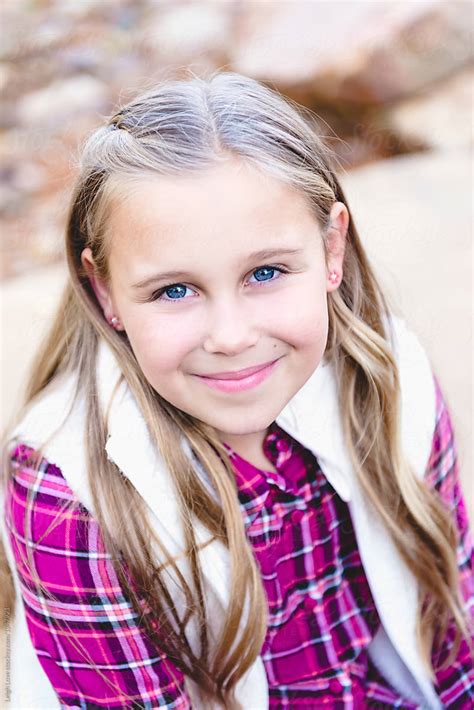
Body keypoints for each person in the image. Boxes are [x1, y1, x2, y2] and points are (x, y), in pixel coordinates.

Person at [1, 70, 472, 710]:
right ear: (104, 290)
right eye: (174, 290)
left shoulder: (387, 373)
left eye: (266, 272)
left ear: (331, 246)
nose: (229, 335)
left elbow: (452, 620)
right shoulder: (70, 489)